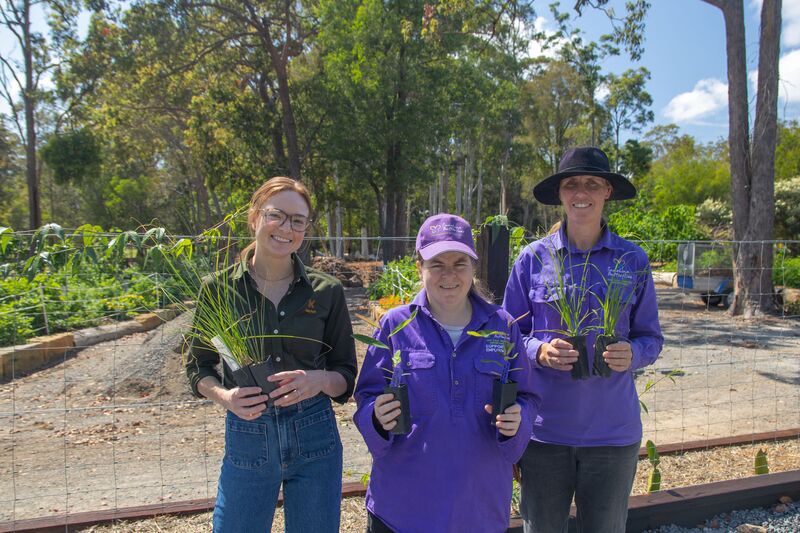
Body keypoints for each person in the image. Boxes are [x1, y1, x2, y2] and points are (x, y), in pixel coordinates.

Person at [503, 147, 664, 533]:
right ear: (560, 193)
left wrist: (634, 353)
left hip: (612, 436)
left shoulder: (632, 260)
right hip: (544, 434)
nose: (581, 192)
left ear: (607, 191)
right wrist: (537, 350)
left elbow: (651, 338)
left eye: (592, 183)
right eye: (572, 183)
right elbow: (506, 335)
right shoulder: (533, 259)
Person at [185, 176, 358, 533]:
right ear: (254, 217)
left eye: (298, 220)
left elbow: (345, 374)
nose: (286, 228)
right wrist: (224, 396)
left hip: (315, 437)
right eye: (276, 215)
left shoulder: (327, 292)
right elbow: (198, 365)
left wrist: (319, 380)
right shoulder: (218, 290)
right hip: (249, 434)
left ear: (306, 229)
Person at [354, 213, 539, 533]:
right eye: (437, 263)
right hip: (402, 509)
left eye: (459, 263)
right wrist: (375, 416)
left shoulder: (503, 326)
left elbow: (528, 396)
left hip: (478, 509)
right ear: (419, 268)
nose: (449, 275)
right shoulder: (395, 326)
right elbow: (366, 396)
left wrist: (518, 416)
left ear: (473, 268)